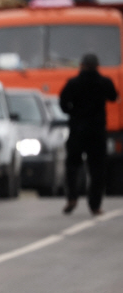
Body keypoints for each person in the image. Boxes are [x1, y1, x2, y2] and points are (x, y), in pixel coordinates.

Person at [60, 53, 118, 215]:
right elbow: (114, 96)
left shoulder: (73, 83)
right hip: (97, 131)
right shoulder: (104, 82)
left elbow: (63, 104)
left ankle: (72, 197)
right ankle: (95, 205)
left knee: (72, 166)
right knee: (97, 169)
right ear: (97, 66)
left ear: (82, 65)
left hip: (77, 130)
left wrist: (74, 113)